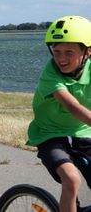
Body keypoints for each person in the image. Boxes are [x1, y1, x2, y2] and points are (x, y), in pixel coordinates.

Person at [26, 16, 91, 212]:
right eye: (56, 52)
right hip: (50, 135)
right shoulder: (51, 72)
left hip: (81, 133)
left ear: (87, 52)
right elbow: (73, 107)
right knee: (71, 179)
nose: (61, 58)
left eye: (69, 52)